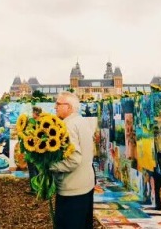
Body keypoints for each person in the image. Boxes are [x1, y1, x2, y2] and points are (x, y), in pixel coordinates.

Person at [49, 91, 95, 229]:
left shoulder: (67, 126)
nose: (55, 107)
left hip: (72, 190)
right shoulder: (81, 121)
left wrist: (50, 166)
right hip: (86, 186)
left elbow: (73, 160)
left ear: (68, 107)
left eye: (58, 104)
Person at [27, 106, 42, 194]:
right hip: (39, 150)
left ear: (36, 113)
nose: (32, 114)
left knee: (32, 169)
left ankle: (34, 189)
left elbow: (30, 135)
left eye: (33, 112)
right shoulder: (43, 122)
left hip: (33, 150)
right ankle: (39, 188)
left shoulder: (34, 123)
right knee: (37, 169)